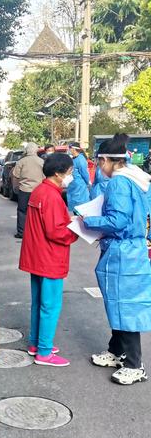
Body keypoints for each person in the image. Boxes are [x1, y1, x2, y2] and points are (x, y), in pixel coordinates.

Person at [83, 137, 151, 385]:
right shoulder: (139, 179)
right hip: (132, 249)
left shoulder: (118, 184)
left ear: (105, 160)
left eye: (99, 162)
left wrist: (85, 220)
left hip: (123, 251)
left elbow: (117, 221)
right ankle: (116, 350)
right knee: (119, 303)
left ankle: (134, 364)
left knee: (125, 306)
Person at [19, 153, 78, 367]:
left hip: (37, 256)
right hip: (49, 257)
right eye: (70, 173)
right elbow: (56, 232)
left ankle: (36, 344)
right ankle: (44, 352)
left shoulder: (40, 191)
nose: (71, 177)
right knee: (50, 306)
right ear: (58, 173)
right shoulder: (52, 196)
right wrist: (76, 230)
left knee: (39, 303)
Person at [12, 142, 44, 239]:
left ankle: (21, 232)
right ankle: (38, 231)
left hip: (24, 189)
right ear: (36, 150)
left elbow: (16, 175)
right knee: (38, 211)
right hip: (38, 190)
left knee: (22, 211)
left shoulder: (21, 161)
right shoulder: (41, 161)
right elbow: (45, 176)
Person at [67, 142, 90, 211]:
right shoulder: (73, 159)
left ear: (74, 149)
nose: (69, 150)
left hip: (79, 185)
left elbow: (84, 173)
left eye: (70, 148)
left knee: (80, 206)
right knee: (73, 205)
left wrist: (87, 183)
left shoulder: (81, 159)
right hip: (73, 185)